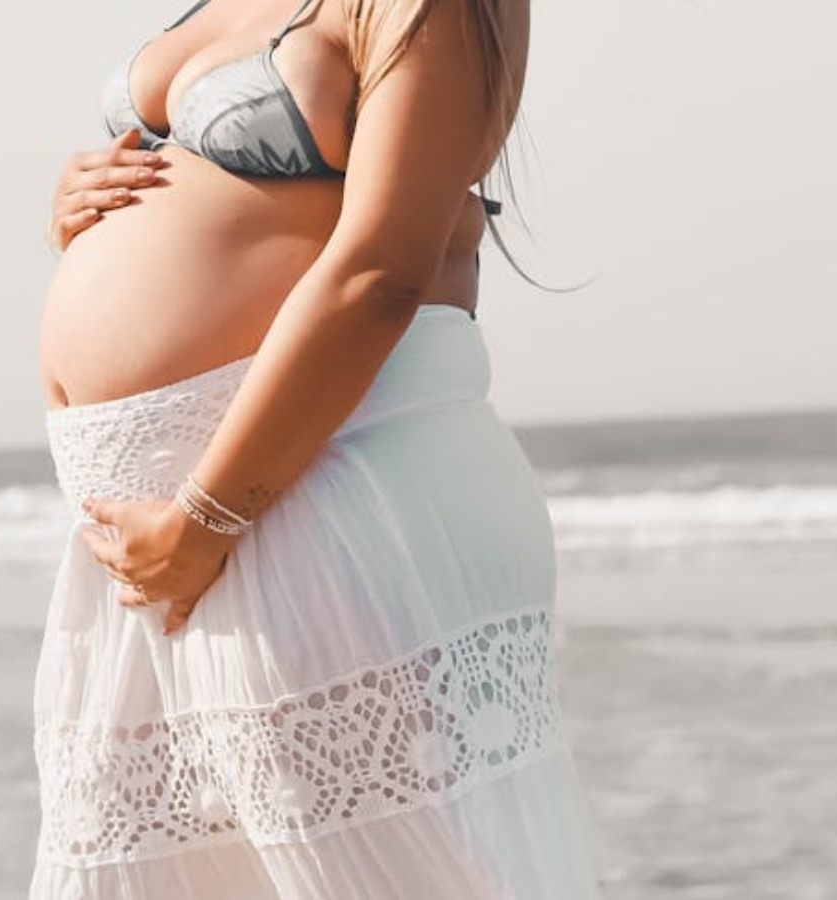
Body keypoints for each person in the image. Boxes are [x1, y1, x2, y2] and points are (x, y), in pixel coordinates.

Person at [30, 0, 603, 897]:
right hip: (150, 543)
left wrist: (204, 521)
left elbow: (382, 269)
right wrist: (87, 200)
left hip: (304, 489)